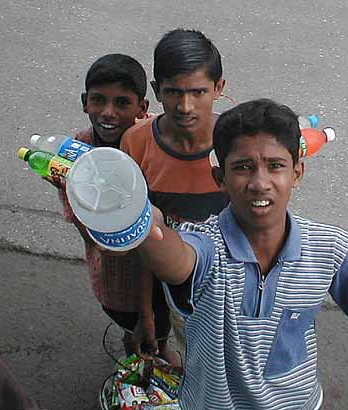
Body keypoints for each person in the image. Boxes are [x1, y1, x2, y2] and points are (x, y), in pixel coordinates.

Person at [134, 99, 348, 409]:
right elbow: (174, 260)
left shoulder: (330, 248)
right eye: (243, 167)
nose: (259, 183)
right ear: (221, 180)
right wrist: (143, 226)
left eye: (275, 166)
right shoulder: (204, 245)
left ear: (297, 173)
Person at [55, 54, 179, 365]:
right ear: (85, 102)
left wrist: (148, 313)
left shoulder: (152, 146)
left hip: (161, 277)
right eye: (98, 100)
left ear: (143, 108)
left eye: (122, 103)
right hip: (116, 285)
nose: (108, 113)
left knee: (157, 339)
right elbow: (100, 242)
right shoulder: (74, 155)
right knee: (141, 340)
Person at [120, 28, 228, 356]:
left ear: (218, 88)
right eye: (173, 92)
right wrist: (147, 315)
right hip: (160, 279)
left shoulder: (236, 143)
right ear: (156, 90)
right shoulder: (136, 143)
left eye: (198, 92)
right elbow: (139, 235)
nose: (184, 106)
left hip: (223, 287)